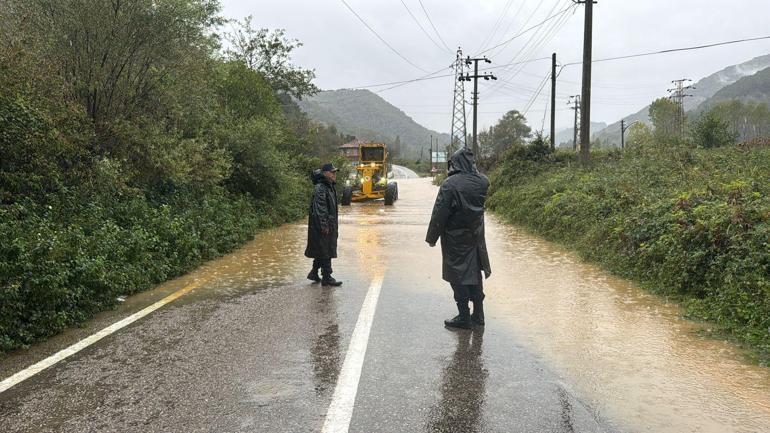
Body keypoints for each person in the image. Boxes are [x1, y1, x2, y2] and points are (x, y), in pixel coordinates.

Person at [426, 147, 491, 329]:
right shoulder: (483, 182)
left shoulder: (450, 184)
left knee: (458, 277)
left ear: (454, 163)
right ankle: (479, 315)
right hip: (476, 238)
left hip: (455, 239)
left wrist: (432, 237)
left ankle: (464, 317)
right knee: (475, 274)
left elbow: (440, 213)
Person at [305, 163, 343, 286]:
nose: (334, 174)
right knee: (325, 249)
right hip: (323, 225)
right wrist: (324, 225)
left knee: (323, 249)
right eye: (332, 172)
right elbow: (320, 209)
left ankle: (314, 272)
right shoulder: (321, 188)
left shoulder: (329, 186)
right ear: (325, 173)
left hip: (328, 223)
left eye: (335, 172)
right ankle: (327, 276)